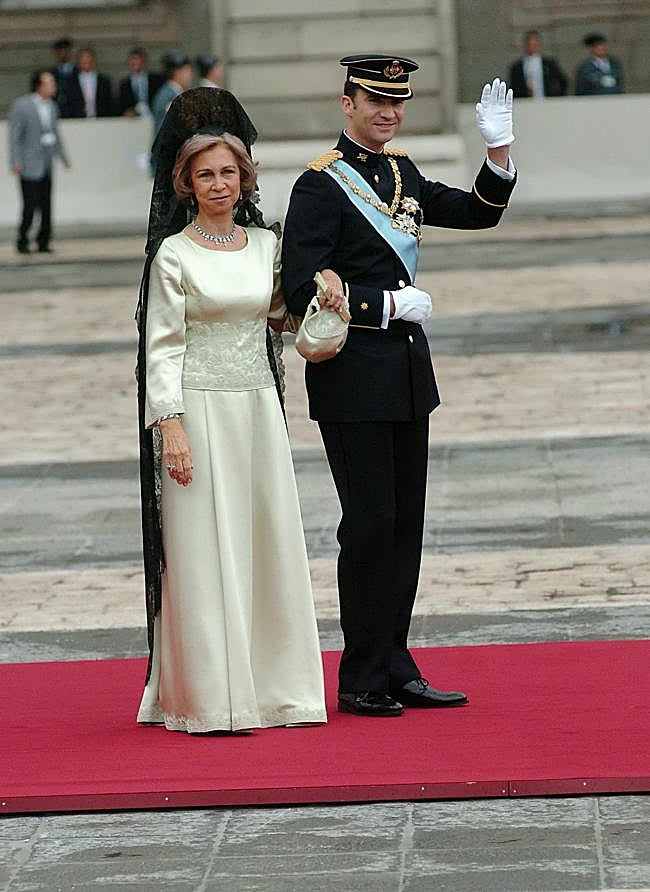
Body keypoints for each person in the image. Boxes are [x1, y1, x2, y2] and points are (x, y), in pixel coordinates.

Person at [282, 55, 516, 718]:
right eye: (375, 101)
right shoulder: (319, 187)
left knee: (405, 527)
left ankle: (395, 661)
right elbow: (302, 289)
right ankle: (360, 674)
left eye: (397, 102)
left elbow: (476, 214)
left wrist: (497, 152)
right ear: (347, 102)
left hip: (407, 376)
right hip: (352, 377)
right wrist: (382, 307)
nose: (388, 113)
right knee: (370, 526)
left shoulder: (401, 171)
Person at [136, 87, 327, 734]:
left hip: (257, 410)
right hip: (196, 410)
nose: (219, 183)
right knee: (199, 551)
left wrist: (323, 298)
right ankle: (211, 698)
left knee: (264, 542)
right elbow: (162, 349)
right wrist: (172, 428)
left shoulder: (265, 246)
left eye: (228, 172)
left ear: (245, 178)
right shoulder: (173, 255)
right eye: (205, 174)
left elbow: (281, 320)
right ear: (185, 184)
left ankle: (278, 692)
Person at [8, 70, 70, 254]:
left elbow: (55, 134)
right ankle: (23, 238)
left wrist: (63, 157)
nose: (53, 86)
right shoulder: (22, 106)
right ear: (39, 85)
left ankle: (43, 240)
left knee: (46, 204)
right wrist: (15, 160)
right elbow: (15, 136)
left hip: (46, 162)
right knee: (29, 204)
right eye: (49, 83)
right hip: (29, 163)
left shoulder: (52, 106)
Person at [509, 29, 567, 99]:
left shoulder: (549, 64)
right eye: (529, 43)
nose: (532, 46)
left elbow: (562, 82)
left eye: (535, 43)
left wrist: (556, 96)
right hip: (525, 104)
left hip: (547, 102)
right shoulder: (516, 67)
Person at [151, 52, 193, 141]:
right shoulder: (167, 95)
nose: (190, 75)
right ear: (177, 72)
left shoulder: (175, 93)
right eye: (187, 70)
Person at [63, 47, 114, 118]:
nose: (86, 60)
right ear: (78, 61)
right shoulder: (70, 83)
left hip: (101, 122)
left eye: (88, 57)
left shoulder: (104, 81)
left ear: (94, 60)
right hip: (78, 122)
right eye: (82, 58)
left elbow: (110, 104)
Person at [117, 47, 164, 117]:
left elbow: (161, 99)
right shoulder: (124, 84)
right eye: (133, 59)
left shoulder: (156, 79)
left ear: (144, 61)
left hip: (154, 117)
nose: (136, 62)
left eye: (138, 59)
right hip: (134, 121)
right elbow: (121, 106)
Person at [50, 37, 76, 118]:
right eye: (60, 51)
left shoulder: (78, 72)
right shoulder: (51, 73)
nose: (63, 53)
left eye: (66, 50)